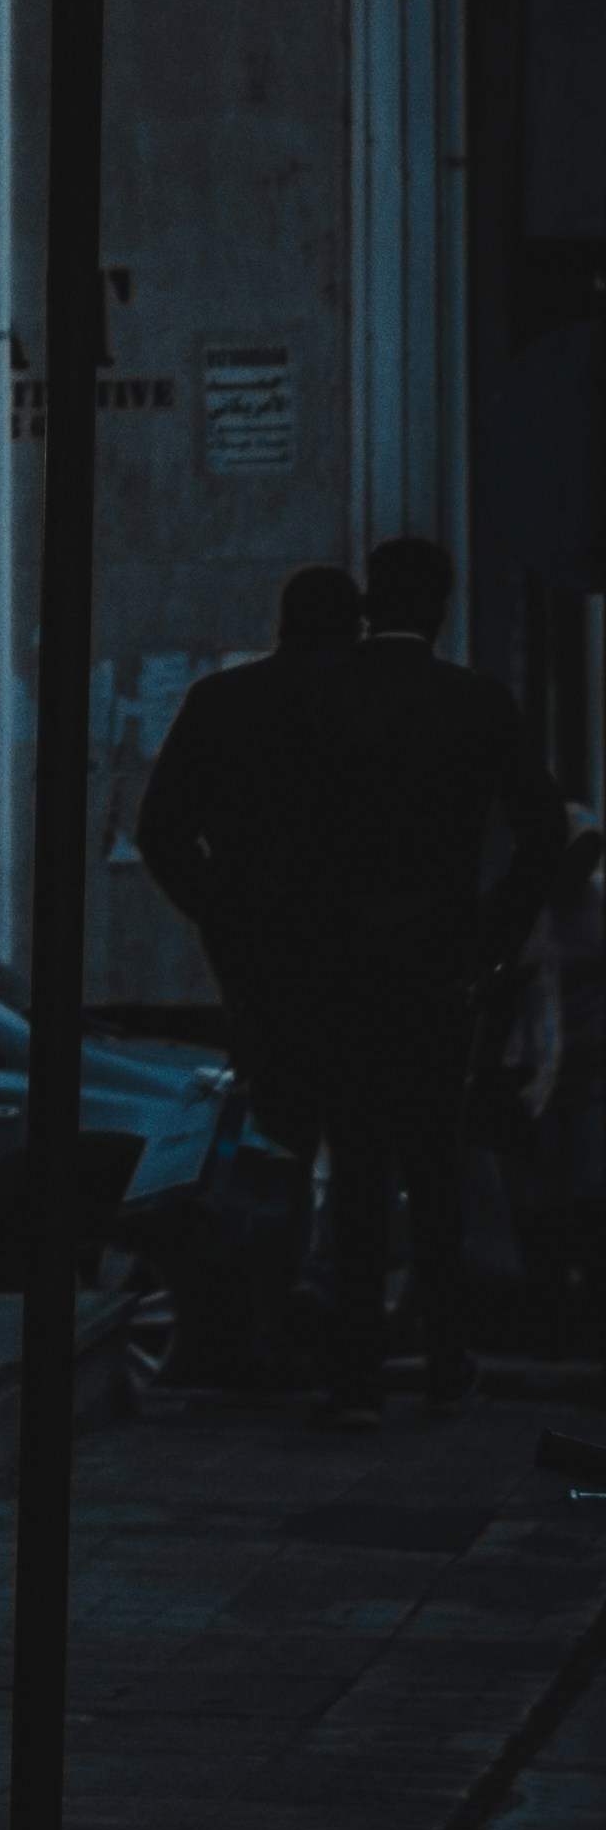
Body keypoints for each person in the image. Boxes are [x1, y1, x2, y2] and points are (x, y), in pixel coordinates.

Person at [295, 535, 571, 1422]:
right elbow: (543, 836)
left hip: (343, 968)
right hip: (439, 967)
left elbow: (279, 836)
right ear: (442, 606)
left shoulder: (324, 699)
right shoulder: (477, 704)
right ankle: (443, 1354)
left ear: (372, 601)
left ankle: (354, 1372)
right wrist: (491, 939)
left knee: (360, 1166)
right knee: (434, 1167)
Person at [135, 563, 364, 1160]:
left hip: (259, 947)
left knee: (277, 1127)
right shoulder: (373, 701)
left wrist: (224, 909)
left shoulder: (222, 700)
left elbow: (162, 831)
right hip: (365, 940)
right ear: (356, 626)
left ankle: (276, 1244)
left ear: (284, 623)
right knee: (365, 1130)